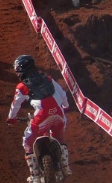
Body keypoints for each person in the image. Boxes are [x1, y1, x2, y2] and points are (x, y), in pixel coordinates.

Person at [6, 54, 71, 182]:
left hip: (42, 118)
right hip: (59, 114)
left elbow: (15, 105)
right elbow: (63, 94)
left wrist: (11, 119)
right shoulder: (48, 78)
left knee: (27, 142)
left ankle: (35, 176)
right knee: (60, 136)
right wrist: (66, 106)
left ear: (20, 70)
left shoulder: (22, 87)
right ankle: (66, 166)